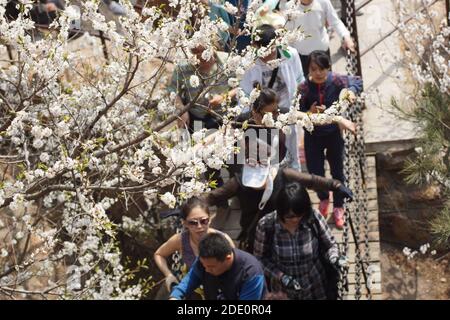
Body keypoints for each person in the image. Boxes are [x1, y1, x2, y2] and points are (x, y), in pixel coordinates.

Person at [199, 136, 353, 252]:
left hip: (284, 232)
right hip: (254, 235)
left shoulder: (282, 174)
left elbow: (311, 181)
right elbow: (214, 196)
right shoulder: (238, 182)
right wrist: (190, 206)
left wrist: (336, 185)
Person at [298, 50, 362, 228]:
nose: (318, 73)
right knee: (316, 173)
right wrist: (309, 112)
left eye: (322, 69)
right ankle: (324, 198)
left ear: (328, 68)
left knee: (338, 171)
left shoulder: (335, 81)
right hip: (312, 137)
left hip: (333, 134)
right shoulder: (303, 88)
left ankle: (339, 206)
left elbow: (357, 81)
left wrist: (350, 92)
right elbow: (297, 111)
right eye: (314, 69)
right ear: (308, 70)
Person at [254, 180, 342, 300]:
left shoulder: (313, 217)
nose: (295, 219)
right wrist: (281, 277)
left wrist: (334, 257)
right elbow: (260, 259)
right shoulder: (266, 225)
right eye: (289, 216)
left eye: (299, 215)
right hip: (284, 292)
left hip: (315, 286)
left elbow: (330, 245)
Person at [154, 197, 234, 293]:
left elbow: (236, 265)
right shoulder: (180, 240)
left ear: (210, 219)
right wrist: (168, 274)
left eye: (204, 221)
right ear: (185, 223)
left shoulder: (223, 239)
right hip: (193, 289)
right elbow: (159, 254)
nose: (199, 226)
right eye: (193, 223)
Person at [258, 0, 355, 76]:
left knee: (327, 83)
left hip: (322, 51)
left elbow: (335, 21)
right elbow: (287, 32)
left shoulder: (323, 2)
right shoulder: (290, 6)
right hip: (302, 55)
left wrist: (346, 37)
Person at [169, 232, 266, 300]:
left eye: (211, 267)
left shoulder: (251, 273)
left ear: (227, 259)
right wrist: (175, 296)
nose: (206, 270)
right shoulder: (205, 260)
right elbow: (189, 280)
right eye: (204, 265)